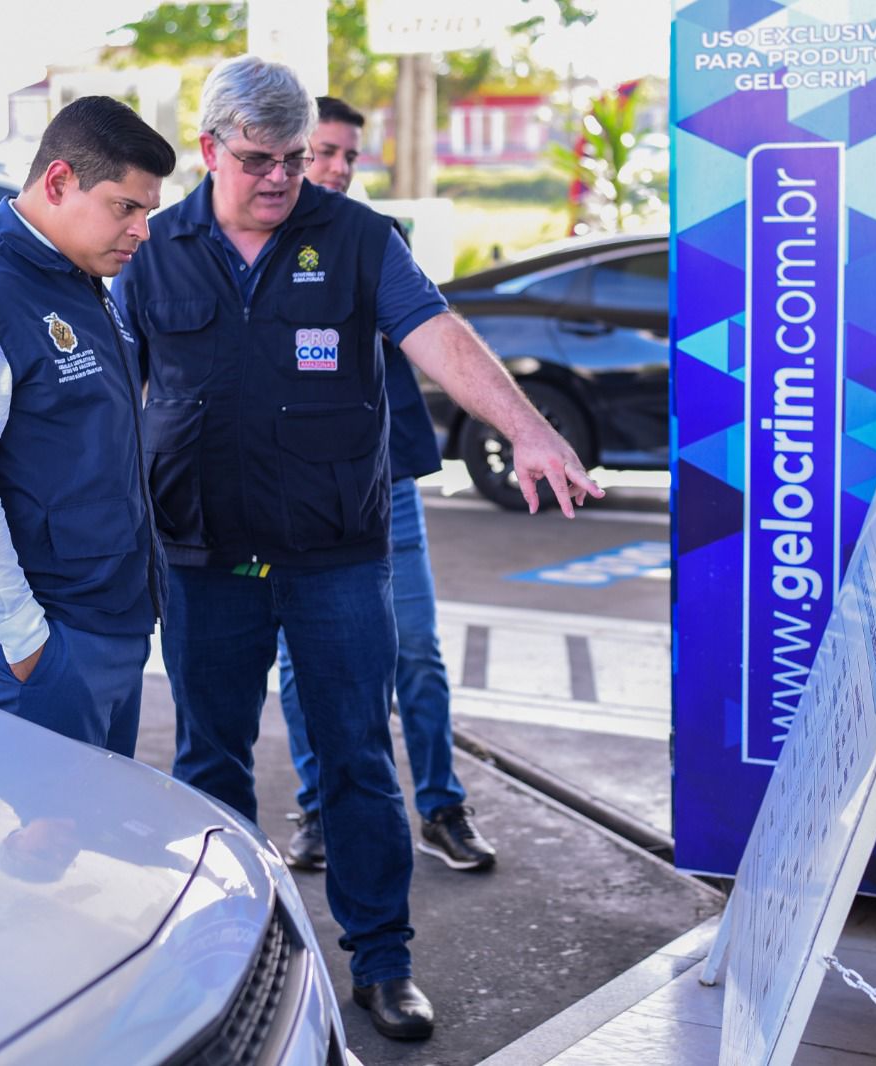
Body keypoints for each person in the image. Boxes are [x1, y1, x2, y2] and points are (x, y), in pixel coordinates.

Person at [114, 58, 602, 1042]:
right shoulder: (151, 250)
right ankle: (224, 957)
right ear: (208, 149)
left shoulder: (356, 239)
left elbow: (441, 336)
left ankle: (383, 961)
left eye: (295, 159)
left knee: (355, 759)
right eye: (257, 159)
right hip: (204, 555)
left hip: (332, 553)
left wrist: (529, 429)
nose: (281, 178)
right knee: (209, 759)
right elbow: (105, 393)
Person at [0, 96, 176, 756]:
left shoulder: (76, 277)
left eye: (148, 211)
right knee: (50, 853)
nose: (141, 230)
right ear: (58, 182)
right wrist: (29, 648)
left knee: (98, 847)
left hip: (101, 621)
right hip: (43, 640)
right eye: (125, 207)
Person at [276, 96, 494, 876]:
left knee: (417, 652)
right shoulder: (260, 243)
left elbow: (425, 336)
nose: (335, 168)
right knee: (302, 662)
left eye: (347, 157)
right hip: (295, 492)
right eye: (324, 153)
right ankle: (318, 809)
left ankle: (441, 807)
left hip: (385, 482)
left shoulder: (376, 241)